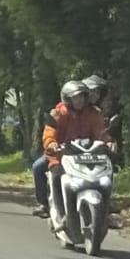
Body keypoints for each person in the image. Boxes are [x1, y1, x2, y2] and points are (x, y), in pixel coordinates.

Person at [31, 80, 113, 218]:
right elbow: (49, 132)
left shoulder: (93, 113)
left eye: (81, 97)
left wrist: (108, 142)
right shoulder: (58, 113)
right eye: (75, 98)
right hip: (61, 154)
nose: (79, 101)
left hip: (88, 154)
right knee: (42, 169)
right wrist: (51, 143)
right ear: (68, 99)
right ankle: (47, 206)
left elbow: (101, 132)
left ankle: (105, 211)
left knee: (106, 172)